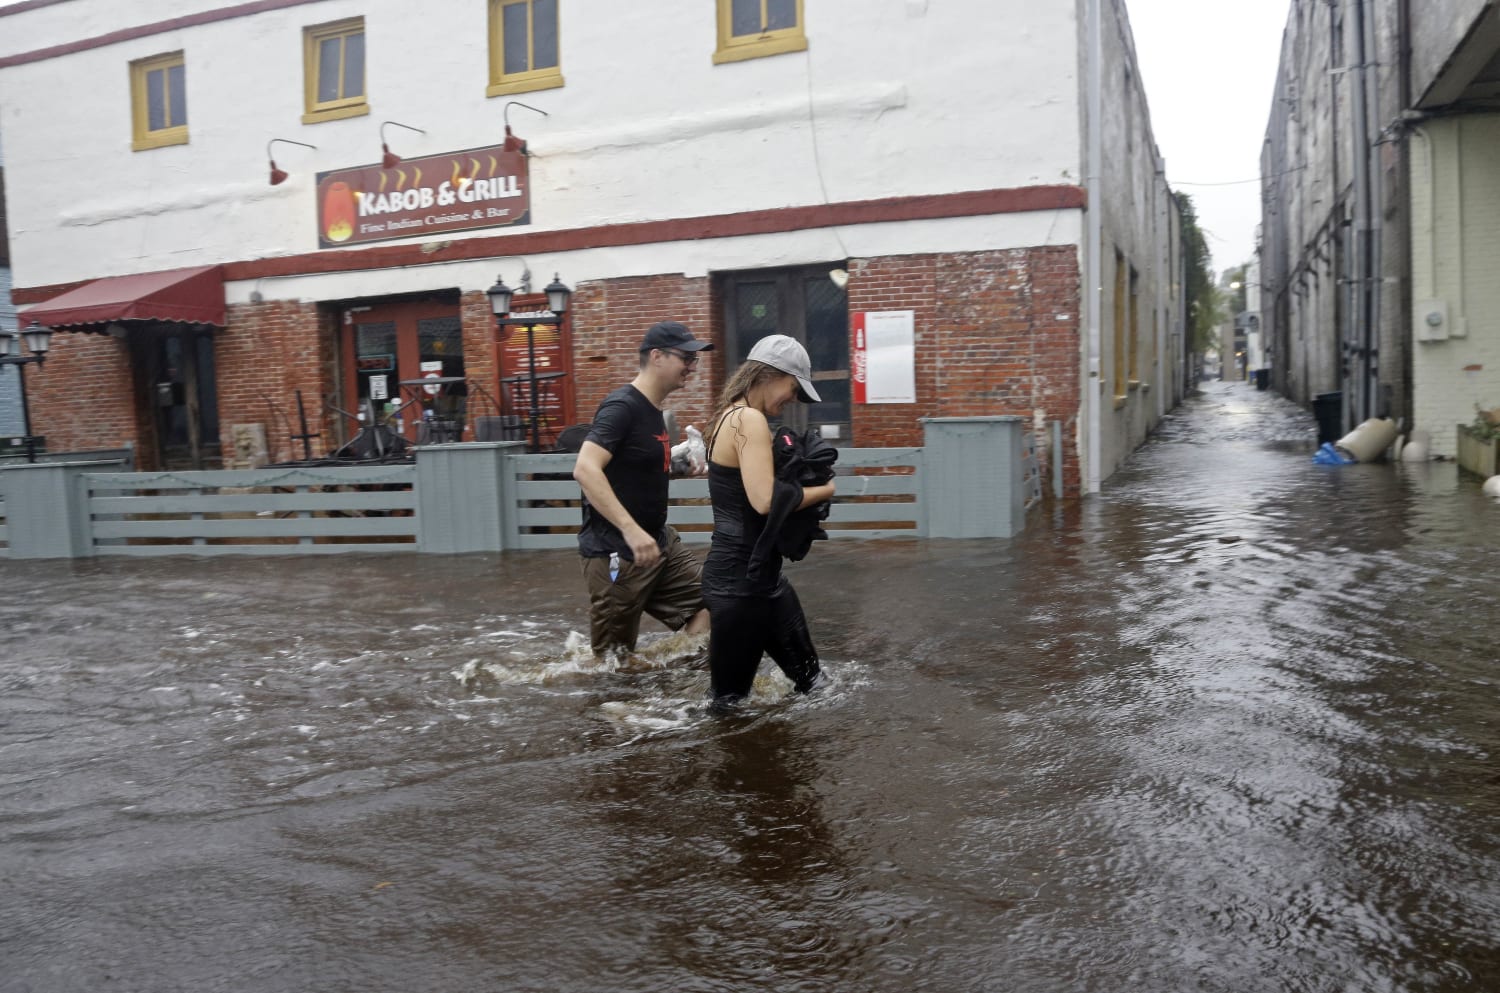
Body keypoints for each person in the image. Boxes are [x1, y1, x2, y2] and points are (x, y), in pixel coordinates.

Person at [701, 334, 836, 710]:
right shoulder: (748, 420)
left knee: (815, 683)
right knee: (728, 706)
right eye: (793, 388)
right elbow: (764, 501)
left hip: (761, 578)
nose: (792, 399)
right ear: (769, 375)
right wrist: (825, 491)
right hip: (738, 586)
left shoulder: (730, 414)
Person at [572, 321, 713, 657]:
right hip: (617, 552)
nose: (692, 366)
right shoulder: (622, 407)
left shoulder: (654, 412)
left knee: (715, 603)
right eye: (686, 358)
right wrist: (632, 531)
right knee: (612, 666)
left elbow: (632, 468)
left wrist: (676, 467)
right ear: (657, 356)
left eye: (695, 359)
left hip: (658, 545)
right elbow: (586, 468)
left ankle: (679, 692)